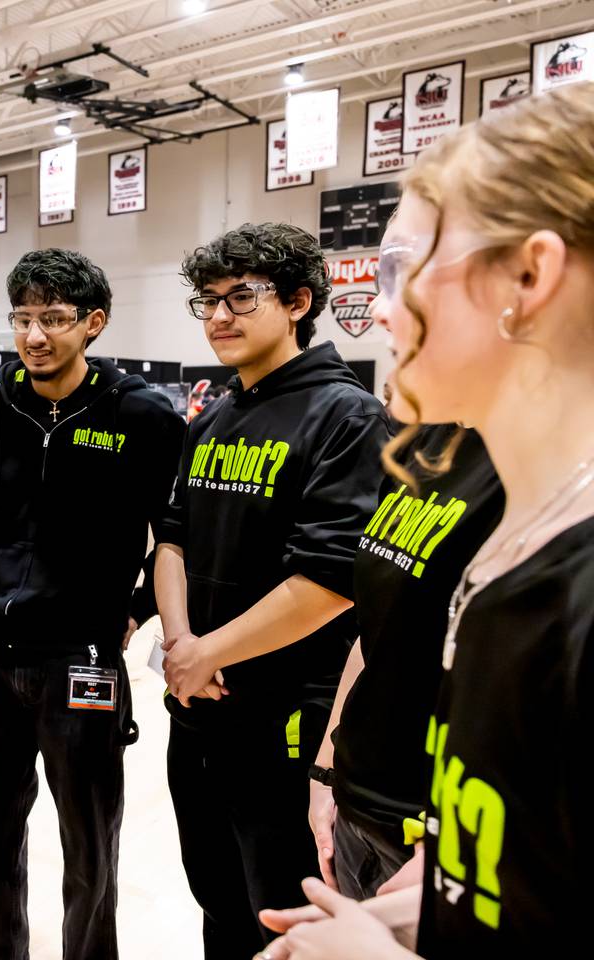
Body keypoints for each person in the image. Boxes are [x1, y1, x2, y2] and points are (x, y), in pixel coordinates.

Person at [259, 82, 594, 960]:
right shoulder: (524, 539)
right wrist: (410, 918)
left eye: (403, 269)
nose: (379, 309)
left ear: (530, 274)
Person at [154, 222, 389, 959]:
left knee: (283, 920)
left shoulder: (347, 416)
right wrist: (182, 647)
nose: (219, 316)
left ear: (297, 302)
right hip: (196, 709)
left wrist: (206, 652)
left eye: (240, 298)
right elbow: (172, 541)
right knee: (216, 901)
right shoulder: (212, 420)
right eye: (208, 301)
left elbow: (330, 581)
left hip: (285, 721)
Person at [0, 248, 186, 960]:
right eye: (22, 318)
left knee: (90, 844)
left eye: (53, 318)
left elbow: (175, 532)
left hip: (81, 658)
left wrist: (136, 606)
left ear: (94, 323)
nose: (34, 336)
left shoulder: (142, 416)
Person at [307, 418, 503, 900]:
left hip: (435, 831)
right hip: (357, 801)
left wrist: (454, 840)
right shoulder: (419, 446)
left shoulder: (530, 461)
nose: (390, 337)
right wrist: (325, 768)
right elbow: (374, 632)